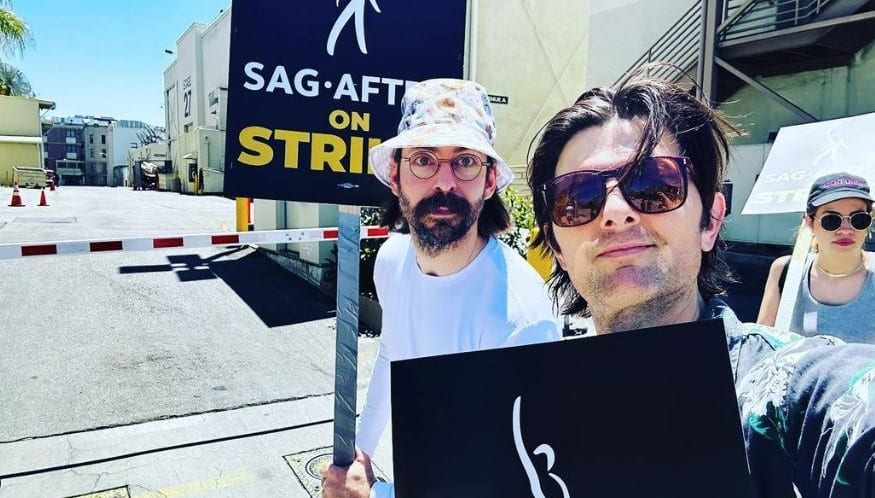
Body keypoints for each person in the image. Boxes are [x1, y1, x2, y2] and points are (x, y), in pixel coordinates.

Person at [527, 74, 875, 497]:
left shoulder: (784, 392)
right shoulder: (528, 413)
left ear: (710, 219)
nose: (616, 213)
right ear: (557, 248)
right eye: (578, 198)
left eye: (652, 184)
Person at [322, 78, 561, 498]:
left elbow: (511, 478)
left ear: (489, 183)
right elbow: (391, 353)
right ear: (395, 176)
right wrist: (359, 455)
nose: (445, 183)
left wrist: (374, 497)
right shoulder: (392, 260)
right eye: (424, 159)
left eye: (466, 161)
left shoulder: (521, 318)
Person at [756, 172, 875, 341]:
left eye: (859, 219)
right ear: (810, 221)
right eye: (831, 220)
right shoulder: (786, 271)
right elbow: (761, 346)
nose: (846, 230)